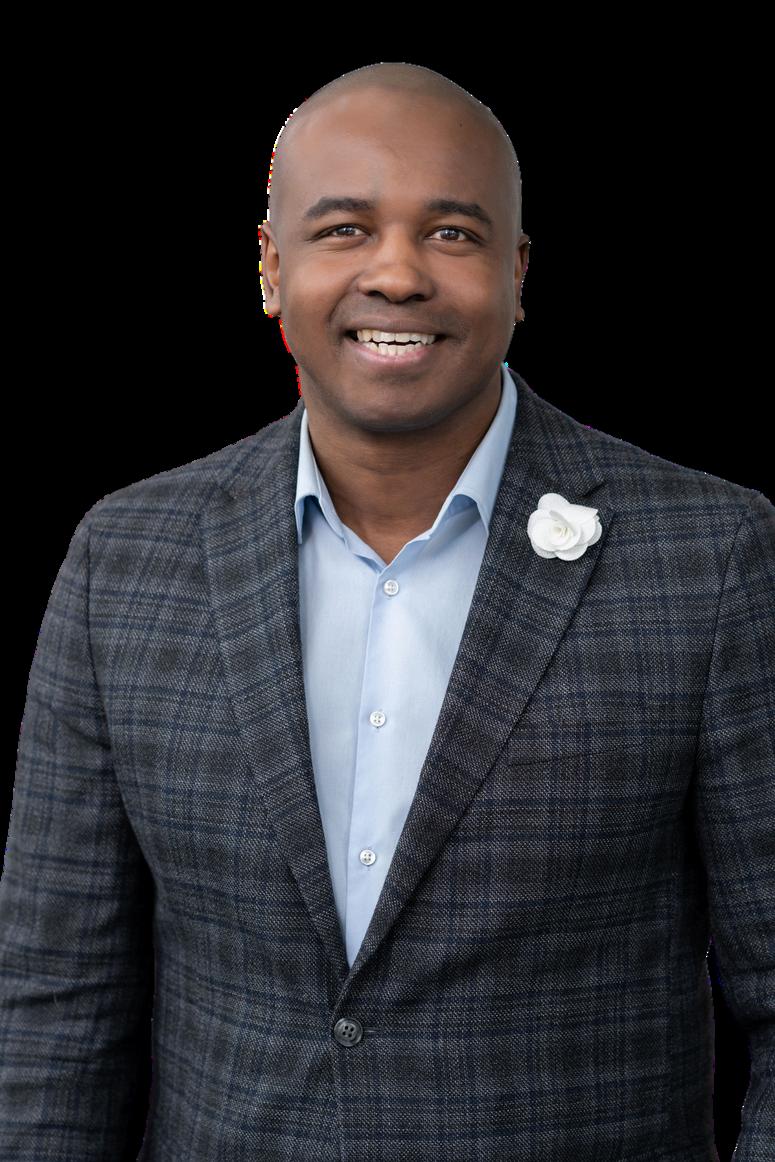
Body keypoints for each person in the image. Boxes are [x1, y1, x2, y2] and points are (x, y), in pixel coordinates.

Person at [1, 60, 772, 1161]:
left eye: (451, 233)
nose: (398, 273)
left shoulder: (711, 559)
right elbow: (56, 1004)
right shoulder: (123, 560)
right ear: (271, 269)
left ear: (516, 273)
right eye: (344, 230)